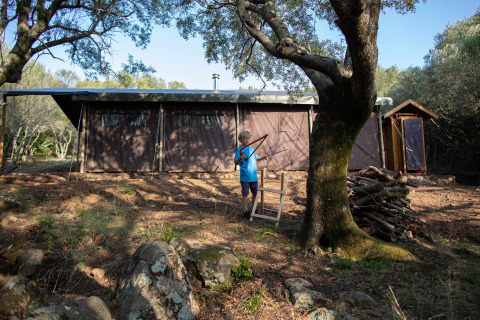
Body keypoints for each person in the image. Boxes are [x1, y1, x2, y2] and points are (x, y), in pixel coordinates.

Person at [234, 130, 267, 218]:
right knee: (245, 194)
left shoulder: (251, 149)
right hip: (245, 176)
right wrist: (240, 158)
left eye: (248, 138)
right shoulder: (239, 150)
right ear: (241, 140)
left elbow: (256, 157)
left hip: (253, 177)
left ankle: (254, 209)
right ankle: (245, 210)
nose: (247, 140)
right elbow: (236, 162)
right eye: (245, 138)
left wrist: (263, 157)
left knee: (255, 193)